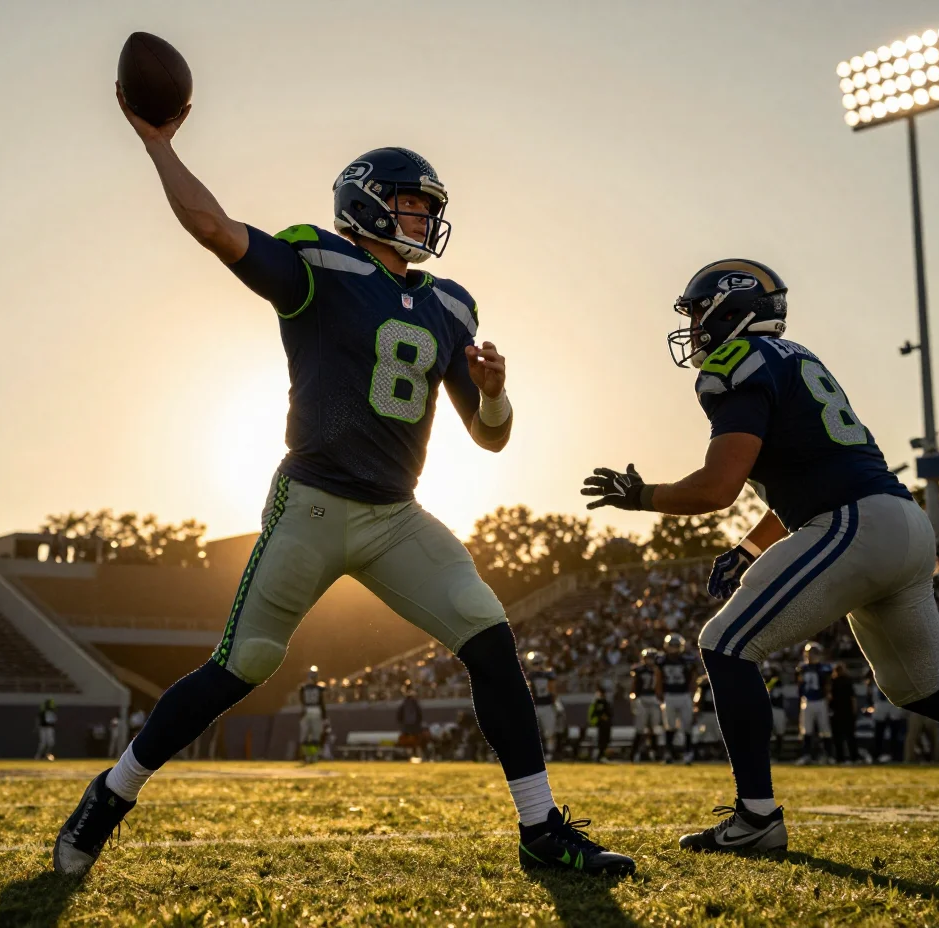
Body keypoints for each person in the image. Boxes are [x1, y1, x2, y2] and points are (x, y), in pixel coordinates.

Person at [53, 97, 631, 879]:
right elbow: (215, 229)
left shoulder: (450, 305)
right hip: (314, 504)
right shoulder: (318, 264)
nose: (425, 220)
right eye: (411, 204)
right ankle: (111, 793)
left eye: (430, 208)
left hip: (397, 516)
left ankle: (540, 829)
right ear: (365, 203)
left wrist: (494, 389)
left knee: (490, 635)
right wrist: (158, 145)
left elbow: (490, 436)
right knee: (244, 664)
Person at [582, 258, 939, 853]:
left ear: (729, 308)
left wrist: (641, 496)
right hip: (900, 525)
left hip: (854, 521)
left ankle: (756, 818)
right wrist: (749, 546)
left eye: (699, 312)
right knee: (923, 687)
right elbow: (805, 479)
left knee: (726, 645)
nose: (696, 328)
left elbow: (717, 488)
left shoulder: (737, 363)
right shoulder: (799, 358)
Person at [656, 633, 697, 765]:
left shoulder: (687, 660)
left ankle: (688, 753)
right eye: (671, 646)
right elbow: (658, 678)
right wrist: (659, 693)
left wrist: (692, 693)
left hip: (684, 694)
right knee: (670, 726)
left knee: (687, 725)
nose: (673, 648)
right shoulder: (661, 660)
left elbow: (692, 678)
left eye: (676, 646)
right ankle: (669, 753)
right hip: (669, 695)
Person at [794, 643, 833, 765]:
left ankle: (828, 755)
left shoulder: (824, 668)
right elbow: (800, 685)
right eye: (809, 653)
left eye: (814, 653)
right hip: (807, 701)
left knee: (825, 729)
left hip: (821, 700)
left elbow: (827, 681)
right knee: (806, 730)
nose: (811, 655)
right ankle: (806, 755)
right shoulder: (802, 668)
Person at [629, 648, 663, 762]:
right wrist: (633, 699)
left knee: (654, 728)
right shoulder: (639, 670)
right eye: (648, 658)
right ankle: (633, 754)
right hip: (642, 698)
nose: (650, 661)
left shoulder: (658, 670)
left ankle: (655, 753)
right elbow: (634, 686)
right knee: (640, 728)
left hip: (653, 698)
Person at [524, 651, 561, 758]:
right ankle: (533, 754)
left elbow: (553, 690)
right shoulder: (528, 676)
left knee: (549, 731)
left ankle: (549, 753)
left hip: (547, 705)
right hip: (534, 706)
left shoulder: (548, 675)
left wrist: (555, 703)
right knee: (532, 732)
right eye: (535, 663)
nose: (538, 666)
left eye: (539, 663)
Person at [866, 666, 901, 763]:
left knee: (894, 731)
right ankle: (877, 754)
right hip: (880, 703)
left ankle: (895, 755)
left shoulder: (894, 671)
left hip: (892, 702)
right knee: (879, 731)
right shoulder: (876, 668)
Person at [827, 661, 859, 765]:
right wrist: (854, 711)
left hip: (837, 712)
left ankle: (840, 758)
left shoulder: (833, 681)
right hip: (847, 712)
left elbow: (829, 697)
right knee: (850, 736)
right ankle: (854, 757)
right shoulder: (848, 681)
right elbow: (853, 698)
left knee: (838, 737)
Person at [297, 667, 327, 765]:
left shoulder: (303, 688)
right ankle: (313, 756)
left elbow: (301, 701)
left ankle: (307, 756)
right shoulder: (319, 688)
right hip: (316, 710)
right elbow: (322, 702)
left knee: (305, 736)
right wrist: (325, 717)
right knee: (315, 736)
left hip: (306, 711)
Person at [761, 661, 788, 760]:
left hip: (777, 709)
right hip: (767, 709)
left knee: (779, 733)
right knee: (766, 734)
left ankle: (778, 754)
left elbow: (772, 686)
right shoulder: (763, 681)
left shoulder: (777, 682)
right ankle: (768, 755)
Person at [692, 674, 721, 762]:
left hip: (715, 713)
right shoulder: (703, 687)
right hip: (705, 713)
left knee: (716, 735)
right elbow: (698, 701)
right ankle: (703, 754)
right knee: (704, 734)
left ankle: (716, 754)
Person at [396, 681, 425, 760]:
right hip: (415, 726)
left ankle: (410, 756)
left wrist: (401, 723)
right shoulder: (414, 702)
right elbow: (419, 714)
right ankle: (418, 756)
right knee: (416, 742)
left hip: (406, 726)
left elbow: (399, 715)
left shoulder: (404, 703)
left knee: (408, 743)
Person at [587, 685, 613, 762]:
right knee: (601, 741)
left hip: (606, 725)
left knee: (605, 740)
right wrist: (599, 717)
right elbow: (593, 713)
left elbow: (610, 713)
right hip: (599, 724)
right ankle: (599, 756)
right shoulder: (596, 702)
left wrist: (606, 717)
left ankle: (602, 756)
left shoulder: (606, 702)